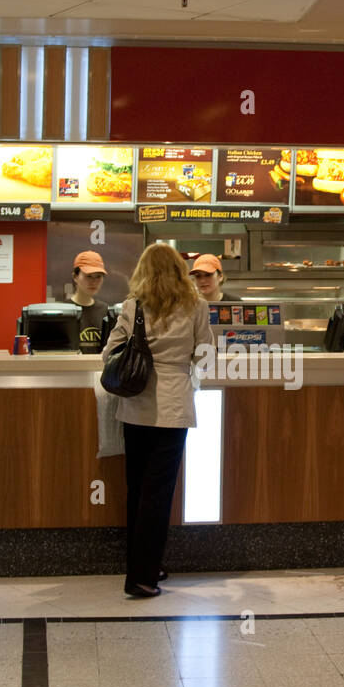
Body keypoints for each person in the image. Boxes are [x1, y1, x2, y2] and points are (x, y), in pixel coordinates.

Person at [103, 242, 214, 598]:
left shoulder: (133, 306)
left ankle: (143, 566)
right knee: (158, 493)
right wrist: (183, 367)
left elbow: (109, 354)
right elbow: (205, 355)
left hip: (136, 405)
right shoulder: (196, 306)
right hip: (173, 406)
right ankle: (142, 577)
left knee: (137, 489)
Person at [70, 250, 110, 352]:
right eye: (89, 276)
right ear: (75, 276)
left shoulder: (106, 311)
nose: (94, 281)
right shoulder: (64, 312)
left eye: (98, 277)